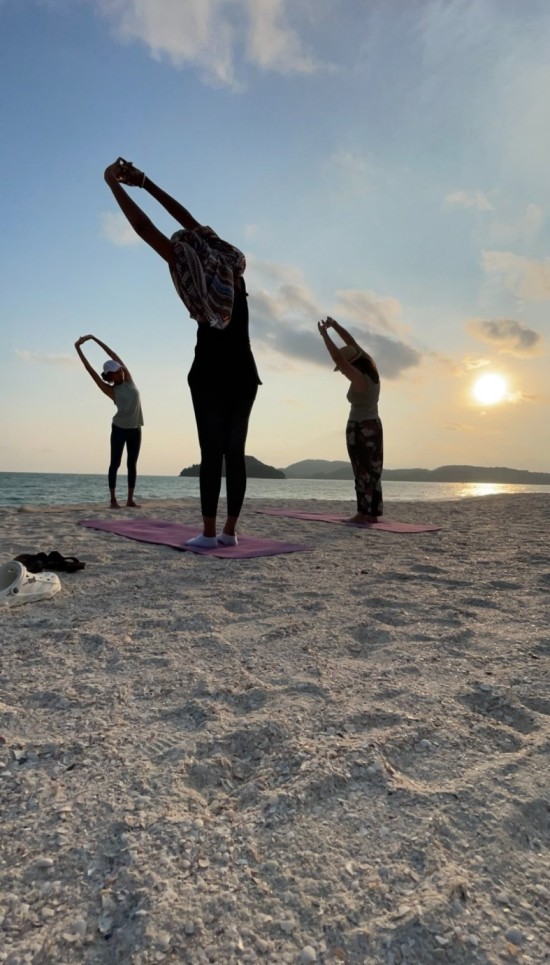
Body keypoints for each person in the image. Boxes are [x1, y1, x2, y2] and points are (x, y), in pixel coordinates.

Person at [103, 158, 260, 547]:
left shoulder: (192, 271)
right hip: (244, 372)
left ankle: (208, 533)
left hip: (208, 372)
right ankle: (229, 533)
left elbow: (145, 229)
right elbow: (192, 222)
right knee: (234, 453)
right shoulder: (230, 265)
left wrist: (114, 185)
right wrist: (144, 182)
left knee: (211, 453)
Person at [317, 317, 383, 523]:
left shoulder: (359, 378)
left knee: (361, 470)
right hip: (375, 425)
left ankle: (363, 513)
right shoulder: (370, 367)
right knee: (373, 470)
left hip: (359, 428)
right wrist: (335, 326)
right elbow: (350, 343)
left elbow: (339, 359)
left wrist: (325, 335)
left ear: (352, 363)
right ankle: (372, 514)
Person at [74, 334, 143, 509]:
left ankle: (129, 499)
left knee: (132, 464)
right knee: (115, 463)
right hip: (119, 429)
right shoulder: (110, 390)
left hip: (136, 428)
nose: (121, 370)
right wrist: (78, 348)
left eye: (120, 368)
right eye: (117, 370)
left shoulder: (129, 379)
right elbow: (89, 370)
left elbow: (112, 353)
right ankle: (113, 500)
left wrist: (93, 339)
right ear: (111, 375)